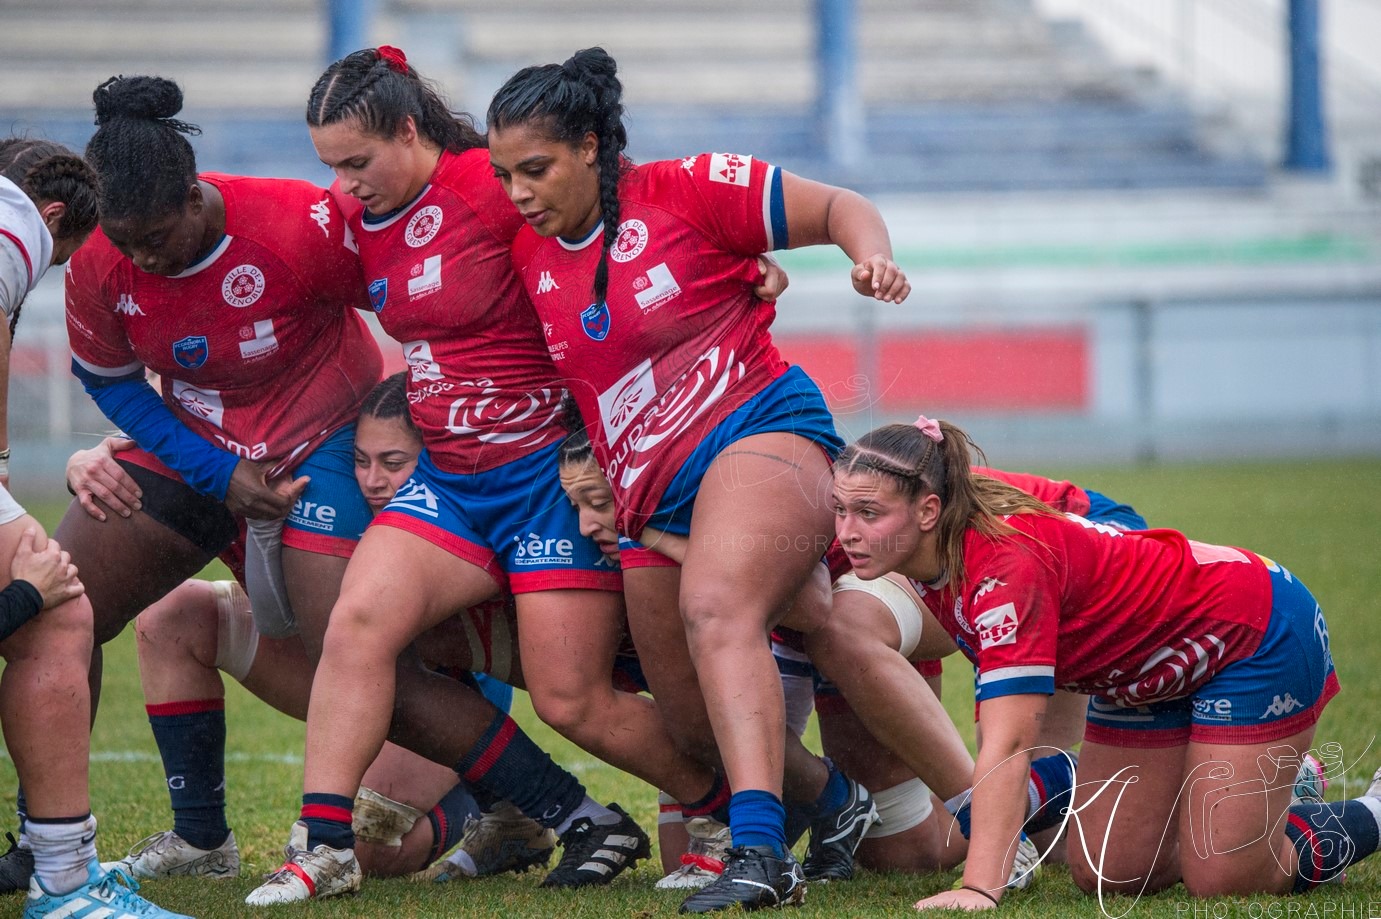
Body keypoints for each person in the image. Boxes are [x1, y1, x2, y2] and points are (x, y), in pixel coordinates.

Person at [248, 46, 749, 903]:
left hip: (545, 477)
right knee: (358, 622)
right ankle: (324, 848)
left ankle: (719, 814)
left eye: (358, 161)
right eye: (328, 164)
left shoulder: (497, 182)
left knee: (570, 699)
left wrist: (746, 267)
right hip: (450, 477)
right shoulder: (353, 219)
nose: (343, 182)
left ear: (410, 130)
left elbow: (639, 211)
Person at [487, 46, 909, 913]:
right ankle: (832, 805)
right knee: (688, 718)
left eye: (535, 169)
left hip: (761, 431)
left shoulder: (685, 187)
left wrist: (869, 258)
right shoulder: (525, 251)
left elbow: (840, 206)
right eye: (503, 175)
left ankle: (760, 856)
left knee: (716, 611)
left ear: (594, 147)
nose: (519, 192)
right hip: (646, 496)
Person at [829, 416, 1381, 910]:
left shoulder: (1001, 569)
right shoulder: (934, 547)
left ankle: (1373, 808)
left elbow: (1011, 742)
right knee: (1107, 876)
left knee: (1226, 878)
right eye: (841, 510)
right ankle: (1267, 791)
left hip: (1252, 635)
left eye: (868, 513)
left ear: (928, 510)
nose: (846, 531)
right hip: (1141, 678)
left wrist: (979, 887)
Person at [66, 375, 546, 884]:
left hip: (427, 679)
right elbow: (274, 614)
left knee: (369, 847)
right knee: (172, 617)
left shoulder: (332, 435)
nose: (373, 477)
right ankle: (199, 838)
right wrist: (86, 463)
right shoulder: (183, 445)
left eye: (392, 464)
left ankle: (491, 798)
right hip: (321, 655)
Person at [0, 138, 192, 919]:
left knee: (54, 603)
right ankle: (64, 883)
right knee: (56, 609)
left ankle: (55, 866)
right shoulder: (14, 222)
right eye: (61, 254)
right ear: (51, 216)